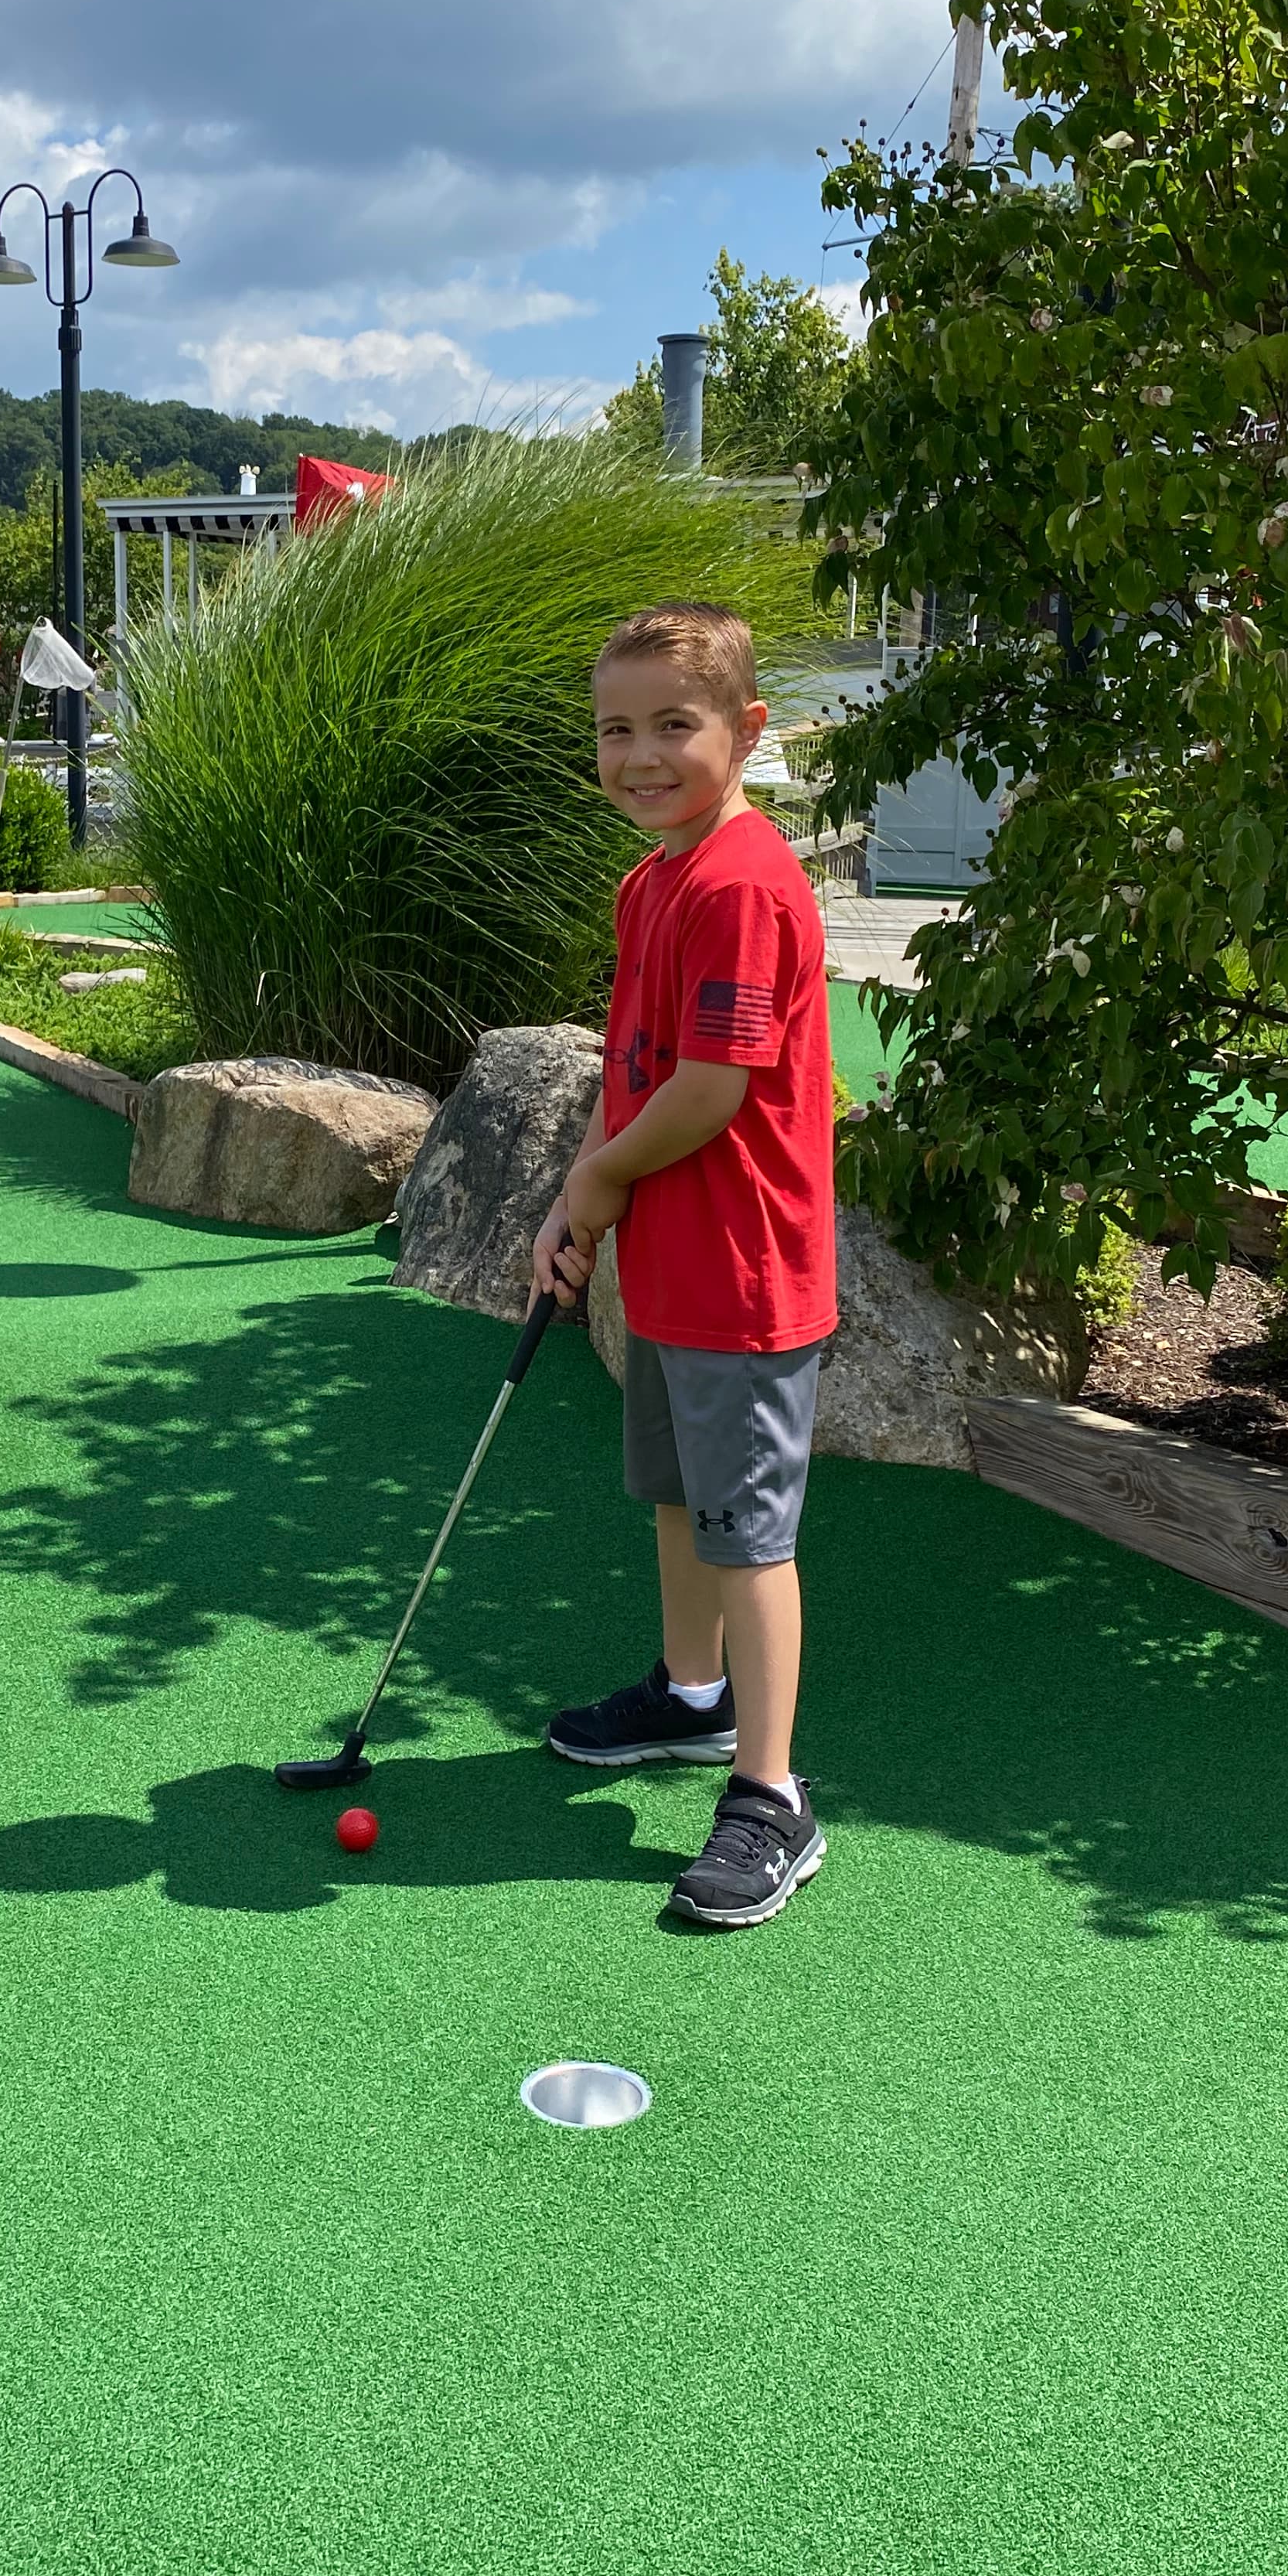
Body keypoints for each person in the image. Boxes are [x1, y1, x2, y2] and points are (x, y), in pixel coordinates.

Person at [533, 602, 835, 1929]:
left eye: (675, 725)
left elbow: (716, 1087)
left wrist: (601, 1179)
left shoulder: (743, 883)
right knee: (676, 1495)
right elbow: (636, 1072)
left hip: (747, 1269)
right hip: (666, 1258)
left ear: (747, 732)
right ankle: (690, 1697)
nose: (641, 754)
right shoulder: (651, 880)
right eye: (616, 729)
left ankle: (771, 1794)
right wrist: (581, 1202)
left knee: (751, 1535)